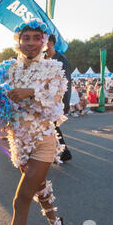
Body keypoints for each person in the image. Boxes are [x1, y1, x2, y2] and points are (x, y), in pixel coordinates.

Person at [0, 20, 68, 225]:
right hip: (19, 144)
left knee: (21, 199)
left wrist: (31, 92)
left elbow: (56, 104)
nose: (31, 43)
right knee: (40, 189)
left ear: (44, 41)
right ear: (19, 41)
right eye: (26, 38)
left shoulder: (53, 68)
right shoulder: (9, 69)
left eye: (37, 37)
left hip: (43, 141)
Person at [45, 34, 72, 162]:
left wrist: (66, 103)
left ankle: (64, 151)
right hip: (43, 99)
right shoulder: (42, 59)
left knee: (53, 125)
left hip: (55, 99)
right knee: (50, 126)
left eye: (42, 40)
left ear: (51, 43)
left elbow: (67, 83)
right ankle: (62, 151)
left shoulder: (62, 60)